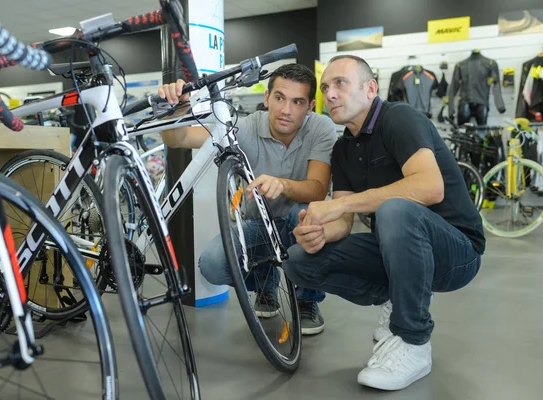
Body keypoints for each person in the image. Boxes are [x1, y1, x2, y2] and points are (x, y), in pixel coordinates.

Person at [283, 55, 485, 390]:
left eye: (340, 83)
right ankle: (397, 299)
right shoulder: (343, 149)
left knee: (395, 208)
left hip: (457, 253)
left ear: (371, 88)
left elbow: (429, 187)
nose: (329, 94)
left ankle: (413, 341)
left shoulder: (399, 118)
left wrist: (340, 204)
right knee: (298, 262)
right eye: (324, 87)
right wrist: (316, 232)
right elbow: (343, 223)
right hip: (397, 248)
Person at [158, 64, 337, 335]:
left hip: (299, 221)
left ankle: (307, 299)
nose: (286, 110)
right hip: (259, 225)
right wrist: (177, 110)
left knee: (304, 213)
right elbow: (179, 139)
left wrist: (283, 185)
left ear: (310, 106)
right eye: (279, 98)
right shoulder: (245, 127)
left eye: (297, 102)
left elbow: (318, 190)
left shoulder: (321, 128)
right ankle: (265, 284)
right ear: (266, 99)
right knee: (213, 264)